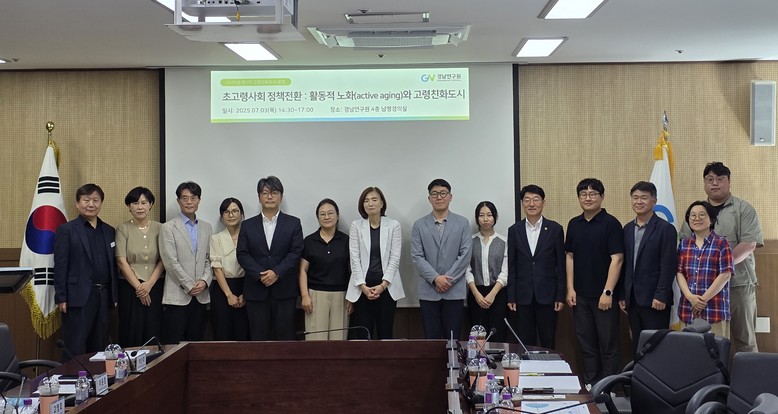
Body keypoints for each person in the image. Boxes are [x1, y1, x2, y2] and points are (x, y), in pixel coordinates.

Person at [681, 162, 763, 352]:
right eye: (710, 179)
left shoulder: (743, 208)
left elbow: (749, 244)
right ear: (704, 183)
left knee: (745, 340)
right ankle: (713, 374)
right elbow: (685, 247)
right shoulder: (696, 212)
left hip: (738, 285)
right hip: (703, 291)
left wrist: (720, 268)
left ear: (729, 181)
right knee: (708, 343)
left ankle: (749, 373)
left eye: (720, 179)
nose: (715, 183)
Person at [565, 178, 624, 387]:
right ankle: (591, 384)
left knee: (608, 344)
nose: (588, 198)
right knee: (586, 343)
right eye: (583, 194)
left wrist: (608, 292)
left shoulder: (611, 224)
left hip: (604, 296)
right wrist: (570, 288)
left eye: (592, 194)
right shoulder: (574, 224)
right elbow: (570, 256)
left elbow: (617, 259)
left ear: (602, 197)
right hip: (580, 296)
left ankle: (609, 388)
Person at [54, 184, 117, 358]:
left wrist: (114, 296)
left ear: (101, 203)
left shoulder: (109, 231)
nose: (91, 204)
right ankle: (72, 375)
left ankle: (96, 375)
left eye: (95, 200)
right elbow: (60, 265)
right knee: (75, 345)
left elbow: (113, 265)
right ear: (77, 203)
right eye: (86, 200)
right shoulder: (66, 230)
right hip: (77, 297)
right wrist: (61, 297)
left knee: (99, 346)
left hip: (104, 295)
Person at [237, 176, 303, 341]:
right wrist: (261, 274)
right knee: (258, 338)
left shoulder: (293, 223)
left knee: (285, 338)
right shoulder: (247, 225)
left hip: (285, 290)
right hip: (256, 291)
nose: (270, 197)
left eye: (274, 193)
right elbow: (242, 254)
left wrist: (276, 272)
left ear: (281, 196)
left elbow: (295, 252)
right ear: (259, 197)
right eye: (265, 193)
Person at [619, 181, 678, 355]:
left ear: (654, 201)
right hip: (632, 300)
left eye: (644, 198)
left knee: (656, 347)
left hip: (655, 301)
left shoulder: (666, 229)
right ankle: (640, 373)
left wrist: (661, 295)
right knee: (637, 345)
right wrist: (623, 294)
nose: (639, 201)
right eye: (635, 197)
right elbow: (625, 264)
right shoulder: (627, 229)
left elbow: (668, 265)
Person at [411, 178, 472, 339]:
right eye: (435, 194)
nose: (439, 197)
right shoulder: (419, 225)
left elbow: (465, 255)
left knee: (453, 339)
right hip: (428, 291)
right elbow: (417, 256)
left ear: (450, 197)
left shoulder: (462, 223)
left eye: (443, 193)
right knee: (431, 339)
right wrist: (435, 278)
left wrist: (447, 280)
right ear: (429, 198)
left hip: (454, 291)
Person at [507, 185, 565, 349]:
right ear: (522, 204)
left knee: (548, 340)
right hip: (523, 295)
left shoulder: (555, 229)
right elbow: (512, 265)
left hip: (548, 295)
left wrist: (560, 296)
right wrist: (511, 296)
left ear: (543, 202)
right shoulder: (514, 230)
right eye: (527, 200)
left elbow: (560, 265)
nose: (531, 204)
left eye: (536, 199)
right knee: (526, 342)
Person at [347, 187, 405, 340]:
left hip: (386, 287)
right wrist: (363, 287)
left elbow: (395, 258)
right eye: (366, 200)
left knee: (385, 333)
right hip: (362, 287)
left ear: (382, 203)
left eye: (374, 200)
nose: (370, 203)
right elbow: (354, 258)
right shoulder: (356, 226)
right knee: (363, 334)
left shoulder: (393, 225)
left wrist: (382, 286)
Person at [159, 181, 212, 343]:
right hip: (177, 296)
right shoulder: (168, 227)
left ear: (199, 200)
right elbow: (170, 262)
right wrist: (189, 285)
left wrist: (204, 281)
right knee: (174, 344)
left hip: (201, 295)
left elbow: (209, 259)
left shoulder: (207, 227)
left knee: (196, 343)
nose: (189, 202)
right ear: (178, 201)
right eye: (185, 198)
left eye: (193, 198)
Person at [115, 186, 164, 347]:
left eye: (144, 202)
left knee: (153, 328)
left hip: (155, 286)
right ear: (129, 206)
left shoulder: (160, 228)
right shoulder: (123, 229)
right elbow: (121, 261)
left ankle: (154, 362)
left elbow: (163, 259)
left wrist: (149, 284)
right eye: (135, 203)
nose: (140, 207)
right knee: (131, 329)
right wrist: (139, 288)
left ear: (151, 205)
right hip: (130, 288)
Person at [677, 201, 733, 337]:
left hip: (714, 309)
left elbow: (725, 274)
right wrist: (690, 298)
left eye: (702, 215)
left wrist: (701, 301)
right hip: (688, 309)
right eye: (692, 215)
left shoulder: (722, 243)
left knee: (716, 349)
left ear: (711, 219)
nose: (697, 218)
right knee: (688, 349)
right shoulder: (684, 244)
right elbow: (679, 273)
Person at [298, 199, 350, 340]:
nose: (327, 217)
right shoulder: (309, 241)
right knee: (316, 340)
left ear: (337, 216)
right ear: (318, 218)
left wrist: (351, 297)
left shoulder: (347, 241)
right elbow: (302, 270)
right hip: (315, 295)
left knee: (338, 340)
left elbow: (353, 271)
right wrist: (305, 296)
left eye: (330, 213)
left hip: (341, 296)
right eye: (322, 214)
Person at [465, 201, 508, 342]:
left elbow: (505, 270)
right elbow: (466, 269)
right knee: (477, 336)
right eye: (481, 215)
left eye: (489, 215)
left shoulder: (504, 241)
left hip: (498, 293)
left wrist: (492, 294)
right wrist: (476, 293)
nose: (485, 219)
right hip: (475, 293)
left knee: (497, 334)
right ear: (477, 218)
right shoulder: (470, 241)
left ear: (495, 217)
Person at [210, 197, 249, 341]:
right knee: (223, 332)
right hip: (223, 288)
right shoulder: (216, 238)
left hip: (246, 286)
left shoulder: (249, 236)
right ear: (222, 216)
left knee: (244, 332)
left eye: (235, 211)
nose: (231, 215)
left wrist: (246, 293)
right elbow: (217, 269)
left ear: (242, 214)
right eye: (226, 212)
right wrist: (229, 295)